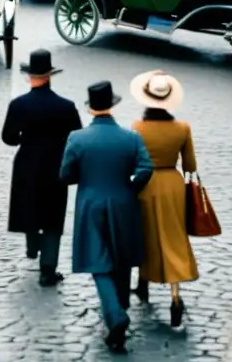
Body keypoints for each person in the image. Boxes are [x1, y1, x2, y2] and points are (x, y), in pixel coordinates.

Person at [60, 81, 153, 353]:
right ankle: (121, 303)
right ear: (112, 106)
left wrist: (85, 177)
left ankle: (115, 314)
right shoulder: (130, 137)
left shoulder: (77, 138)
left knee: (98, 261)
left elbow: (65, 175)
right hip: (123, 201)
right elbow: (146, 168)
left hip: (91, 203)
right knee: (121, 257)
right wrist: (130, 188)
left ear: (90, 109)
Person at [1, 49, 82, 287]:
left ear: (30, 77)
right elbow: (76, 137)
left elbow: (8, 136)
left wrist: (23, 140)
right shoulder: (66, 106)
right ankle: (48, 269)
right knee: (53, 216)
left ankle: (32, 246)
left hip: (27, 163)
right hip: (56, 164)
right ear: (50, 76)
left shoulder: (18, 105)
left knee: (29, 205)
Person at [129, 70, 197, 328]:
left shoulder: (137, 127)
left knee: (144, 233)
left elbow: (131, 160)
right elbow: (190, 165)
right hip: (173, 185)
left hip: (145, 184)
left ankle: (142, 285)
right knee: (173, 237)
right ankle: (175, 297)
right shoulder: (182, 128)